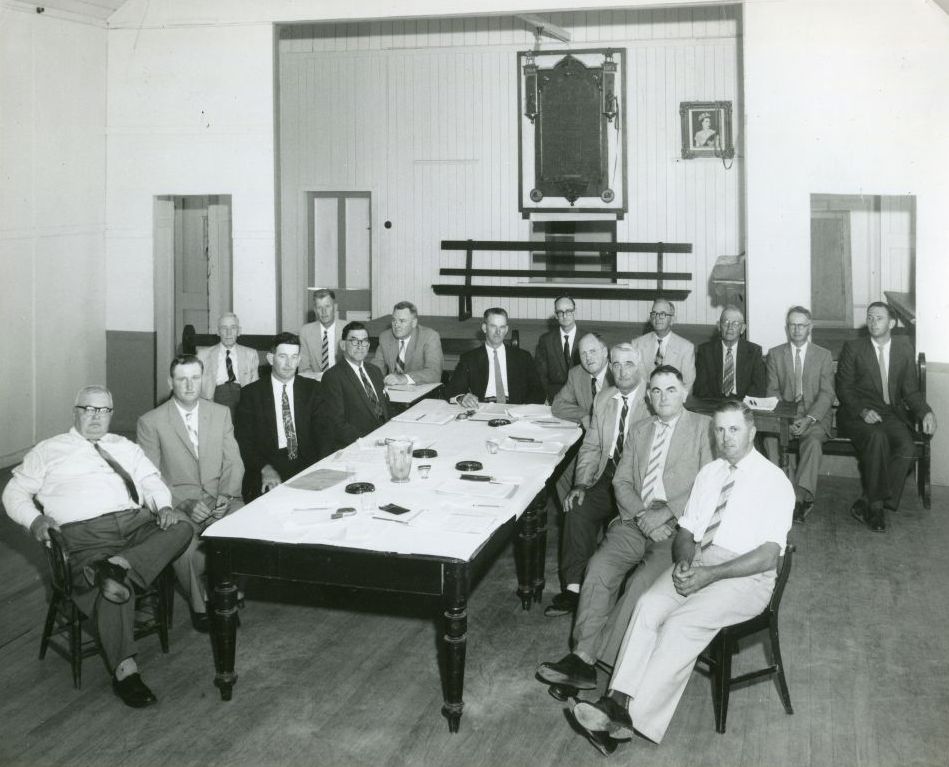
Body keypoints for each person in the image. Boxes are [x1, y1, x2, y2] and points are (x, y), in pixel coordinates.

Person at [568, 400, 794, 752]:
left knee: (680, 623)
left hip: (747, 576)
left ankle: (625, 719)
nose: (726, 437)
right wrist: (686, 562)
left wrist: (711, 575)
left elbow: (768, 556)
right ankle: (616, 700)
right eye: (720, 430)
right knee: (648, 605)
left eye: (734, 429)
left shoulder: (774, 481)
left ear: (751, 432)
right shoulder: (709, 474)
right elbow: (686, 532)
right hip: (702, 560)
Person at [2, 385, 192, 708]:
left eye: (103, 411)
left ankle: (119, 565)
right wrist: (35, 521)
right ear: (75, 411)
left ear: (111, 415)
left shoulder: (124, 446)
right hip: (85, 536)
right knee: (114, 589)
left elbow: (150, 480)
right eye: (88, 409)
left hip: (134, 526)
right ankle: (126, 671)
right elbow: (13, 493)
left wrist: (163, 506)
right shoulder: (49, 450)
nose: (95, 417)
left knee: (182, 527)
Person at [537, 366, 712, 690]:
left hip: (679, 531)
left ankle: (592, 662)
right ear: (648, 397)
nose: (663, 397)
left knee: (641, 583)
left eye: (671, 390)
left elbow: (707, 485)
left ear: (684, 393)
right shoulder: (640, 430)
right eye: (656, 391)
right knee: (598, 567)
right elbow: (621, 481)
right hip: (635, 520)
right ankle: (583, 657)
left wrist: (668, 514)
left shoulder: (704, 428)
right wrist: (643, 515)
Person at [136, 355, 244, 632]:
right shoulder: (151, 421)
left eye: (195, 378)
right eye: (181, 379)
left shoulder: (220, 413)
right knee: (184, 546)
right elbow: (150, 477)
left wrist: (226, 495)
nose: (189, 385)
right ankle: (202, 605)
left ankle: (229, 594)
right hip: (178, 504)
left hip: (219, 498)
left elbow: (233, 462)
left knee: (245, 526)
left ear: (203, 379)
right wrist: (182, 503)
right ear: (170, 382)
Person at [543, 343, 650, 618]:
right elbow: (591, 446)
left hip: (639, 483)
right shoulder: (604, 398)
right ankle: (574, 588)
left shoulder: (652, 399)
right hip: (606, 476)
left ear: (640, 365)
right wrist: (580, 484)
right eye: (616, 364)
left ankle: (619, 594)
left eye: (628, 364)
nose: (622, 371)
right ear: (610, 368)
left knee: (626, 528)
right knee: (576, 508)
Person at [836, 302, 936, 532]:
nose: (873, 322)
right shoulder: (854, 348)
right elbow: (844, 389)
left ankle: (867, 499)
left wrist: (926, 411)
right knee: (877, 438)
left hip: (890, 415)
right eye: (870, 317)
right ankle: (876, 508)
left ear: (891, 323)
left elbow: (910, 391)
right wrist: (863, 411)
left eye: (879, 318)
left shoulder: (903, 349)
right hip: (856, 414)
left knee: (908, 448)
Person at [236, 332, 327, 500]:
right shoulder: (251, 394)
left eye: (294, 357)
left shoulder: (313, 389)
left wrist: (319, 468)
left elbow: (323, 435)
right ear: (271, 359)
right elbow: (244, 442)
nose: (289, 363)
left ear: (299, 360)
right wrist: (265, 468)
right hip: (268, 465)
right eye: (283, 356)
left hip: (306, 463)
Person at [765, 306, 835, 521]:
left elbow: (827, 393)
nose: (796, 329)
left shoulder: (823, 355)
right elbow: (772, 391)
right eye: (792, 325)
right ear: (787, 328)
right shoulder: (776, 354)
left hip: (815, 416)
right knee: (770, 439)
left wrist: (809, 419)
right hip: (784, 415)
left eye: (801, 325)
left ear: (809, 327)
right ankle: (781, 490)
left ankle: (801, 498)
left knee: (812, 441)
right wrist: (787, 418)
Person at [444, 307, 545, 407]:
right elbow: (452, 390)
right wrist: (462, 398)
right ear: (484, 328)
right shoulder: (470, 358)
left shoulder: (523, 357)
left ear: (506, 329)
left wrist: (524, 409)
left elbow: (538, 390)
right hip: (481, 407)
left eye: (502, 327)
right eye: (493, 326)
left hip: (515, 408)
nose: (498, 332)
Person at [322, 321, 390, 450]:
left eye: (364, 341)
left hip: (384, 439)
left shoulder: (375, 371)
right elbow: (337, 424)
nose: (360, 346)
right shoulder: (332, 377)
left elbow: (386, 409)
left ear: (368, 345)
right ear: (343, 345)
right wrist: (371, 442)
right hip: (357, 446)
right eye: (354, 341)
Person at [693, 305, 766, 400]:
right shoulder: (706, 351)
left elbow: (759, 388)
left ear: (742, 328)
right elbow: (700, 388)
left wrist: (740, 405)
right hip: (714, 403)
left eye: (735, 323)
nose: (730, 327)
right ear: (719, 326)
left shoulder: (754, 351)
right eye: (726, 322)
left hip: (743, 404)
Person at [197, 313, 260, 417]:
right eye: (224, 328)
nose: (228, 333)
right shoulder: (203, 355)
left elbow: (255, 386)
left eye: (233, 328)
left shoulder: (250, 354)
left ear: (239, 331)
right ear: (218, 332)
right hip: (215, 400)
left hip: (243, 400)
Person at [370, 300, 444, 385]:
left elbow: (434, 373)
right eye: (394, 320)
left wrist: (403, 378)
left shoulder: (429, 337)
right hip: (392, 390)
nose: (396, 325)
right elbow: (376, 370)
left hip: (420, 389)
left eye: (402, 321)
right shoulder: (385, 337)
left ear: (414, 323)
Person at [630, 298, 696, 392]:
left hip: (674, 399)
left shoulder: (686, 348)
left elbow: (687, 384)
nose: (657, 318)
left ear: (672, 320)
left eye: (663, 314)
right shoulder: (637, 344)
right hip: (643, 398)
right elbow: (634, 380)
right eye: (654, 313)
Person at [551, 332, 611, 430]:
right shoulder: (576, 374)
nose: (588, 358)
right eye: (583, 353)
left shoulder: (618, 374)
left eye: (592, 351)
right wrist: (584, 416)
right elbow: (558, 404)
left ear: (605, 352)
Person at [535, 295, 582, 402]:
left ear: (575, 312)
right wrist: (548, 397)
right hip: (555, 398)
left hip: (582, 398)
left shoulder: (587, 338)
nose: (564, 316)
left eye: (568, 311)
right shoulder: (545, 340)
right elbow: (541, 375)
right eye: (560, 312)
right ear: (556, 315)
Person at [299, 288, 339, 380]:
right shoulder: (305, 332)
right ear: (315, 310)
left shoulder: (348, 329)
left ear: (335, 307)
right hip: (316, 382)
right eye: (319, 307)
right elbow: (304, 369)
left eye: (327, 306)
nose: (324, 312)